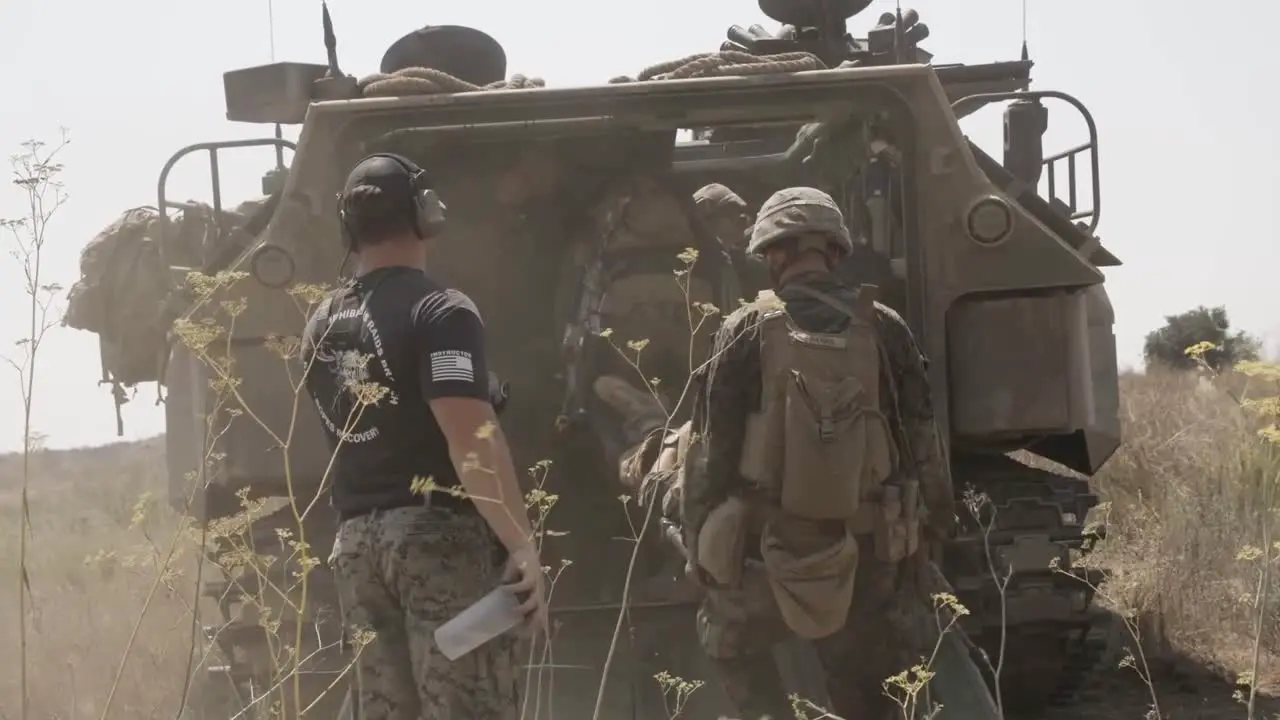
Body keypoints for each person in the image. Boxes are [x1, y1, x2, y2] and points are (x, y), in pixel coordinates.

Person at [680, 186, 955, 720]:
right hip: (866, 558)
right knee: (874, 688)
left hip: (763, 555)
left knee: (730, 648)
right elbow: (922, 442)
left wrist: (700, 549)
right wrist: (935, 529)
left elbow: (709, 453)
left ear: (773, 254)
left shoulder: (743, 327)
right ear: (834, 250)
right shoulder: (885, 328)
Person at [300, 153, 547, 720]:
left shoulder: (319, 322)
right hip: (437, 541)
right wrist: (521, 543)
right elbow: (472, 440)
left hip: (356, 546)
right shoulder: (441, 311)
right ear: (425, 214)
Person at [692, 182, 770, 302]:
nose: (742, 218)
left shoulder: (750, 264)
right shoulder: (693, 266)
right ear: (707, 221)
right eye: (729, 212)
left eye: (740, 211)